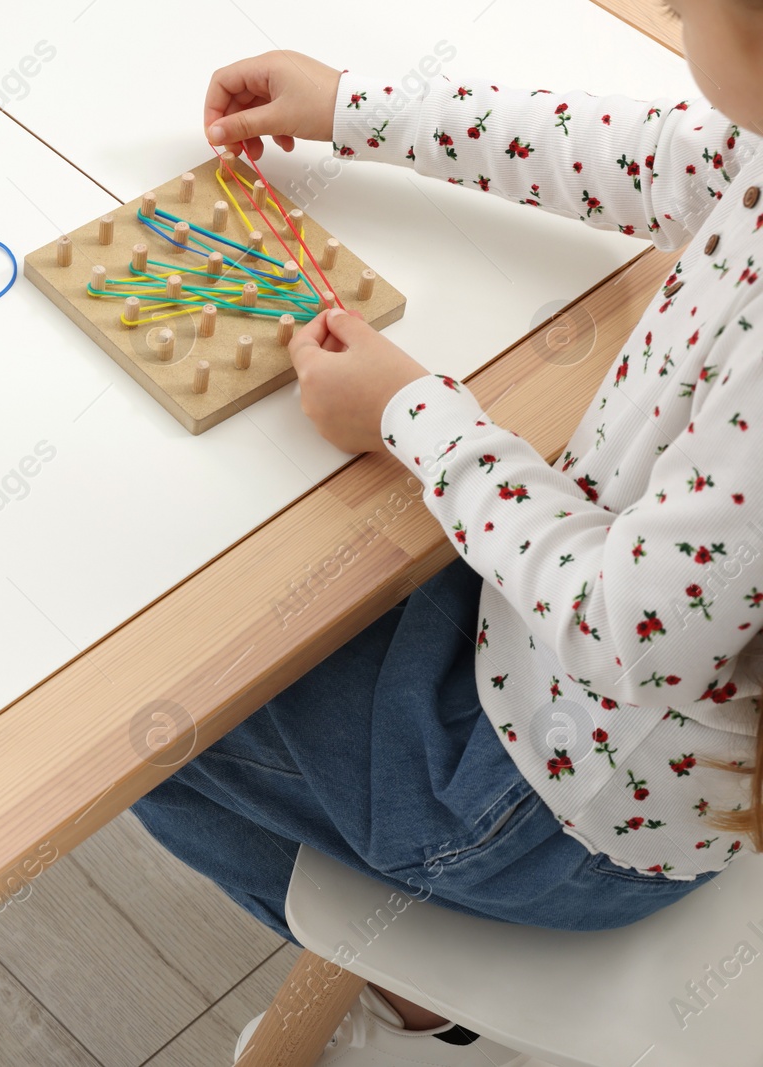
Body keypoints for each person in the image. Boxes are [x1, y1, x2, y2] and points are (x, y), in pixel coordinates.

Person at [129, 1, 763, 1061]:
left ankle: (419, 1008)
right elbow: (650, 157)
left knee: (140, 731)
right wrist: (354, 108)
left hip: (543, 797)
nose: (671, 12)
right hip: (555, 676)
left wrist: (410, 416)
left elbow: (627, 629)